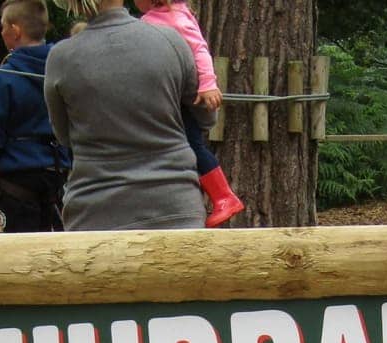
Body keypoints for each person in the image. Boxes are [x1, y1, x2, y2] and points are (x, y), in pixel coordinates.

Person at [43, 0, 212, 231]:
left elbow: (64, 136)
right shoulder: (171, 41)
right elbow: (206, 117)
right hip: (175, 207)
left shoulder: (60, 58)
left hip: (95, 213)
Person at [133, 0, 242, 227]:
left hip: (182, 100)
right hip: (168, 97)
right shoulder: (156, 17)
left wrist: (208, 84)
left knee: (193, 145)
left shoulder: (174, 19)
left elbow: (199, 49)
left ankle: (224, 196)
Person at [0, 0, 69, 233]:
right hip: (62, 177)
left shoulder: (3, 78)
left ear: (15, 31)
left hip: (19, 183)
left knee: (22, 259)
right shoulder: (67, 68)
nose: (1, 32)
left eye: (2, 26)